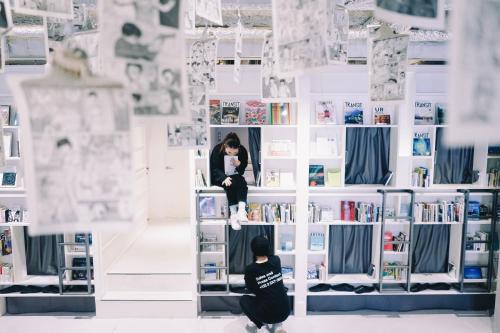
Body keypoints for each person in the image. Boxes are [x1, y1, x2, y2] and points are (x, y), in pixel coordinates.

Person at [240, 236, 289, 333]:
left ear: (252, 250)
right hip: (285, 311)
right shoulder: (276, 260)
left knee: (243, 300)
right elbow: (268, 259)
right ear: (268, 248)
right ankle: (277, 325)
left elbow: (251, 289)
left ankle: (260, 325)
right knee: (272, 296)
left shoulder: (250, 269)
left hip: (267, 315)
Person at [210, 132, 248, 230]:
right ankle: (234, 215)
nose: (232, 154)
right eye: (229, 152)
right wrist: (223, 177)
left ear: (238, 148)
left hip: (235, 176)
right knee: (229, 183)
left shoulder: (242, 150)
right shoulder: (217, 149)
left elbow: (242, 171)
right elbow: (214, 168)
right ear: (224, 146)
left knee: (241, 180)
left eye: (235, 153)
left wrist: (239, 165)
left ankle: (240, 211)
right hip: (219, 177)